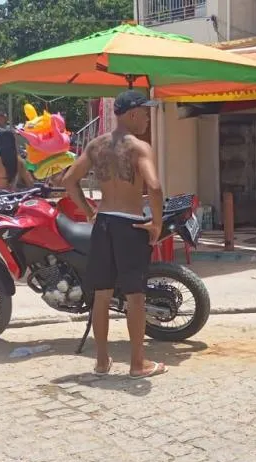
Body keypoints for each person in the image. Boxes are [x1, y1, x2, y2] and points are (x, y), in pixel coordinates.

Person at [59, 90, 167, 379]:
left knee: (102, 296)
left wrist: (89, 211)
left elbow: (69, 180)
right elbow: (154, 187)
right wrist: (156, 223)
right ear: (132, 114)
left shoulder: (96, 146)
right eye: (144, 112)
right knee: (135, 298)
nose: (147, 117)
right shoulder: (139, 147)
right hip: (130, 225)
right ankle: (137, 364)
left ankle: (102, 362)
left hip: (104, 223)